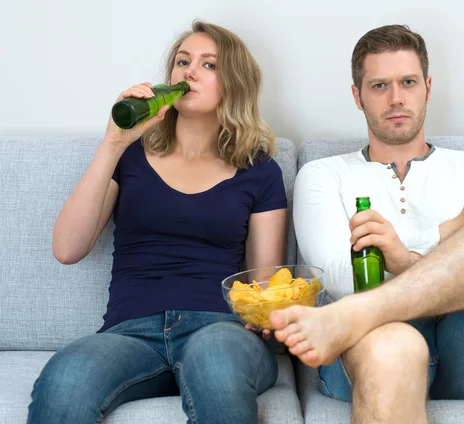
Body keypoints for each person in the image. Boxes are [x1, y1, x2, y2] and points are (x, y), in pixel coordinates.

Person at [271, 24, 464, 424]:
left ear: (428, 87)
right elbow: (340, 279)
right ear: (357, 96)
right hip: (378, 344)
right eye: (379, 86)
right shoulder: (324, 174)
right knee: (393, 344)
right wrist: (455, 228)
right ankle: (364, 317)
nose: (396, 98)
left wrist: (403, 259)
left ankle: (357, 315)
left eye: (408, 82)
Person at [27, 20, 287, 424]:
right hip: (130, 334)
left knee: (215, 361)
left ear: (234, 82)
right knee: (67, 377)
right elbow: (66, 248)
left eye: (209, 65)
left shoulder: (260, 170)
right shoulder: (130, 157)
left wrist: (265, 322)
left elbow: (265, 282)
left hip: (219, 331)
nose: (189, 71)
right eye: (183, 61)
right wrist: (115, 141)